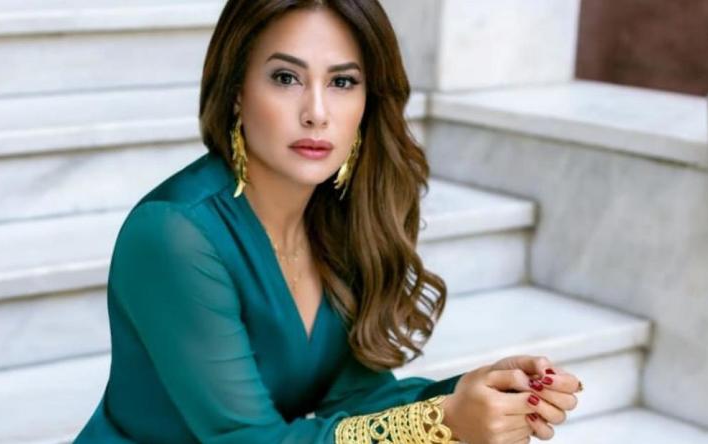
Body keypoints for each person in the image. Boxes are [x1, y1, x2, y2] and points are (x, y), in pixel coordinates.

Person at [73, 0, 583, 442]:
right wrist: (439, 424)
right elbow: (249, 440)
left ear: (366, 101)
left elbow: (358, 397)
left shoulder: (333, 217)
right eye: (286, 78)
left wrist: (479, 394)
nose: (316, 112)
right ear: (236, 91)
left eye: (342, 82)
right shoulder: (174, 235)